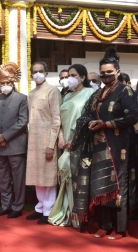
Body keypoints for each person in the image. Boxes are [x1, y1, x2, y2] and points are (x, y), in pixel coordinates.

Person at [71, 47, 138, 239]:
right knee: (99, 185)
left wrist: (106, 123)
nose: (106, 76)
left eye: (109, 72)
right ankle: (104, 225)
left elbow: (133, 116)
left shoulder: (125, 91)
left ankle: (120, 228)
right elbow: (88, 116)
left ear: (117, 72)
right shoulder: (97, 94)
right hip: (98, 146)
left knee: (118, 187)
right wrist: (88, 124)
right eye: (102, 73)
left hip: (118, 147)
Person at [48, 64, 95, 227]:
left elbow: (88, 118)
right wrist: (61, 137)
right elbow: (59, 119)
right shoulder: (66, 96)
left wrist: (75, 139)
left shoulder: (90, 93)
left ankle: (80, 215)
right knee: (66, 175)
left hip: (81, 143)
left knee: (79, 177)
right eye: (68, 75)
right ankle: (67, 212)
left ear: (82, 77)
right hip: (65, 143)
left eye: (73, 75)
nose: (70, 78)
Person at [0, 62, 28, 218]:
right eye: (2, 83)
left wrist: (4, 136)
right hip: (0, 146)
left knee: (18, 177)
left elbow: (23, 121)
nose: (5, 86)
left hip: (16, 145)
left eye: (8, 83)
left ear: (13, 83)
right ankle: (6, 205)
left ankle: (17, 207)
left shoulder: (22, 99)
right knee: (3, 177)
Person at [26, 61, 62, 225]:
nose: (37, 74)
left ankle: (49, 211)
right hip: (33, 140)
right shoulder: (31, 93)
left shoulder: (53, 91)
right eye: (34, 72)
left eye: (40, 71)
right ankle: (40, 207)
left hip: (47, 140)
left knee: (48, 176)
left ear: (46, 74)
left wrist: (50, 144)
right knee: (37, 175)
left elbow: (56, 119)